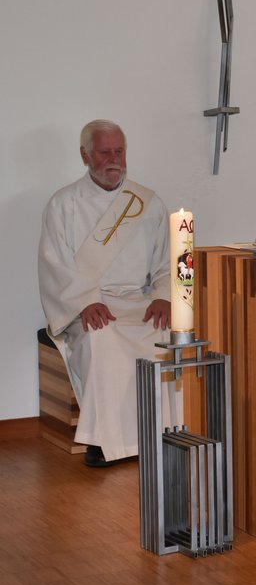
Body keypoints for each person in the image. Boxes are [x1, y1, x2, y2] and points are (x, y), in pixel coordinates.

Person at [38, 120, 176, 467]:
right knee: (101, 337)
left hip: (138, 300)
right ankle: (105, 442)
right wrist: (86, 302)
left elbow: (167, 261)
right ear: (85, 155)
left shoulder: (148, 203)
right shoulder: (63, 204)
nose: (114, 159)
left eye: (119, 151)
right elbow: (55, 265)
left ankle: (163, 433)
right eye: (104, 152)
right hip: (91, 302)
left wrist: (163, 295)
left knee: (166, 333)